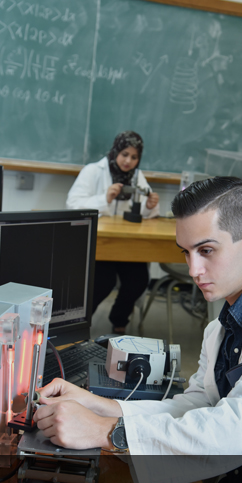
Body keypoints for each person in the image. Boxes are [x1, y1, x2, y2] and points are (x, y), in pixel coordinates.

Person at [35, 177, 242, 483]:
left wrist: (108, 433)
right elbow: (201, 403)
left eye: (206, 251)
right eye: (186, 253)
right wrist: (104, 406)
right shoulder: (221, 326)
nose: (192, 270)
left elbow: (239, 429)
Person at [66, 131, 160, 334]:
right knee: (102, 281)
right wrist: (104, 199)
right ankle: (79, 323)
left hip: (127, 244)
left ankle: (119, 318)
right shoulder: (93, 171)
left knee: (138, 279)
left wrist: (151, 206)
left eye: (134, 157)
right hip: (100, 244)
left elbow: (144, 212)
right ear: (116, 151)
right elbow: (72, 204)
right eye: (125, 154)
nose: (128, 161)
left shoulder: (137, 177)